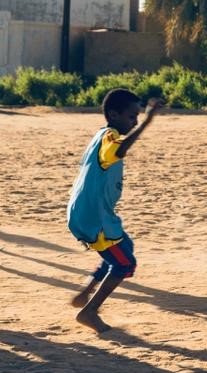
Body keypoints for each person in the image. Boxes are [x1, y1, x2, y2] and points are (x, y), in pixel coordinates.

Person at [68, 90, 162, 333]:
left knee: (124, 247)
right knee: (125, 264)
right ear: (114, 114)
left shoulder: (102, 135)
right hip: (94, 218)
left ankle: (85, 293)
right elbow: (119, 151)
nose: (135, 122)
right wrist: (149, 123)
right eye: (132, 117)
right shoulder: (110, 138)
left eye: (138, 117)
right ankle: (89, 311)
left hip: (92, 214)